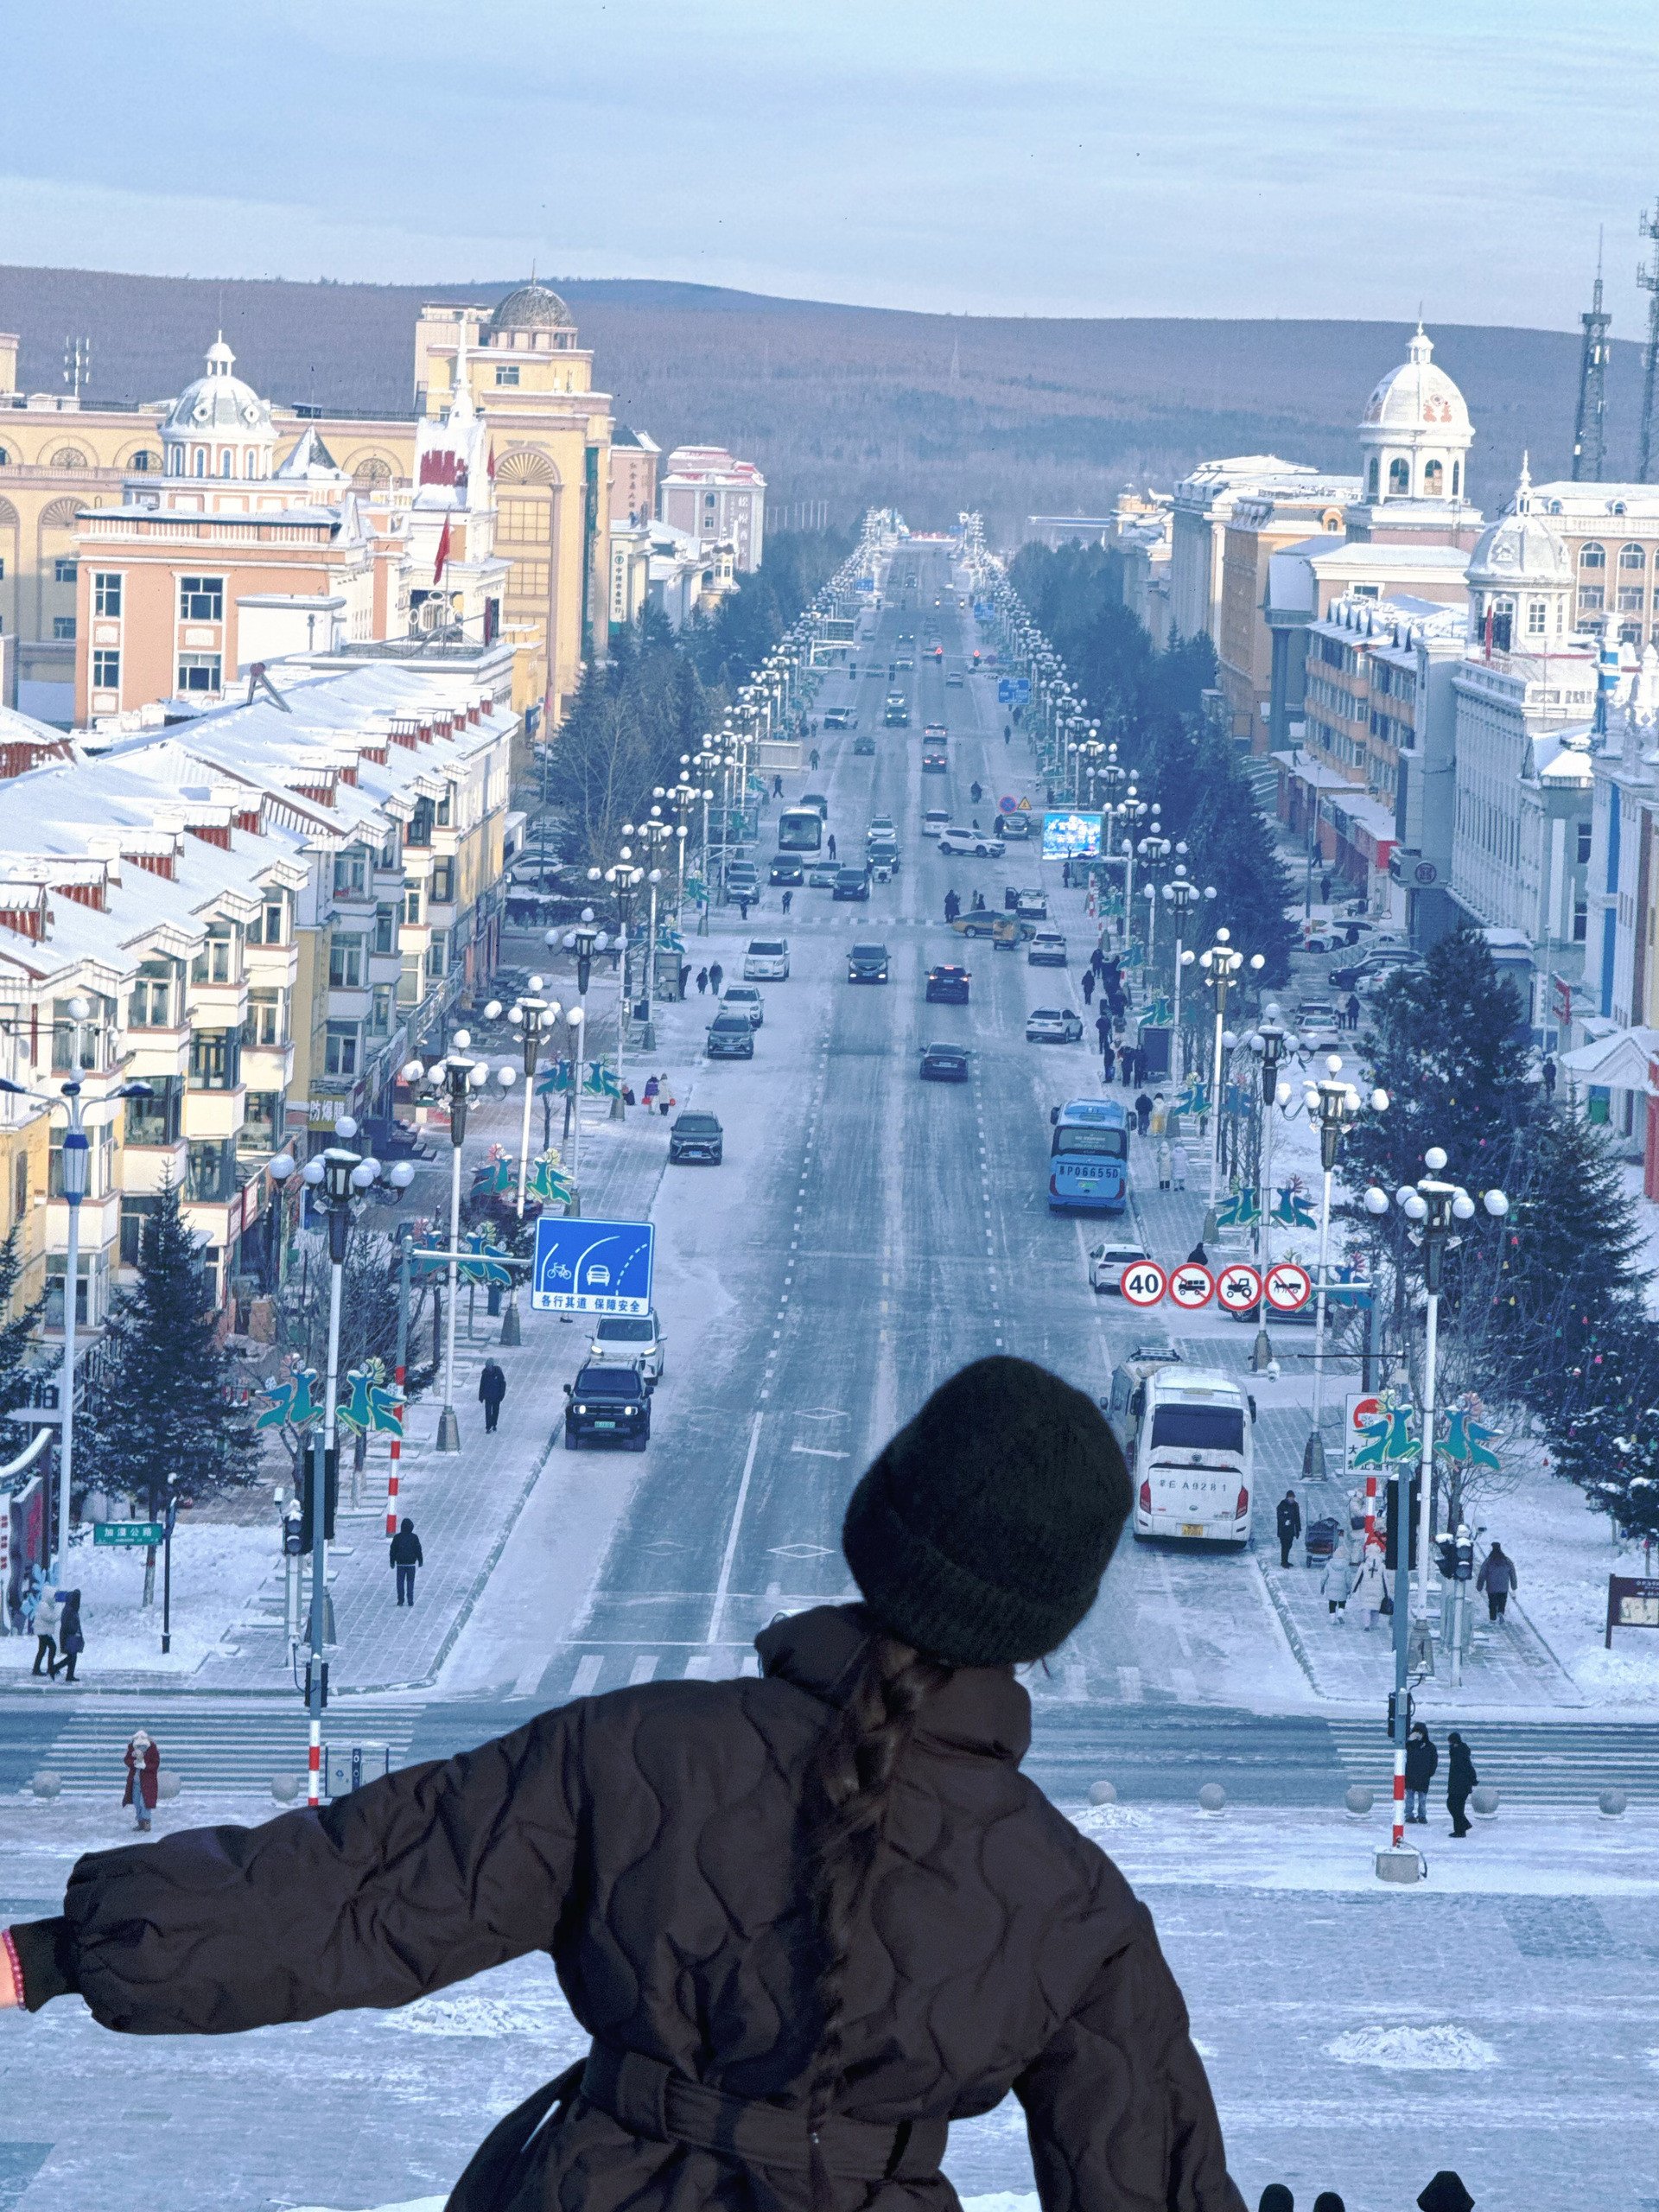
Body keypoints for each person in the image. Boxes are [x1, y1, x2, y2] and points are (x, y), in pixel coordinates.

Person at [0, 1357, 1245, 2210]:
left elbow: (356, 1895)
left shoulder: (637, 1749)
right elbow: (1155, 2177)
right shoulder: (1075, 1908)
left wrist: (60, 1955)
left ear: (878, 1530)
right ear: (1047, 1617)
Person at [122, 1730, 160, 1834]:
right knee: (137, 1802)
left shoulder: (152, 1748)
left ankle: (147, 1822)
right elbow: (127, 1759)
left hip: (148, 1782)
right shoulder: (132, 1747)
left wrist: (144, 1765)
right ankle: (140, 1822)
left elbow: (155, 1763)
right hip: (135, 1781)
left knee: (145, 1803)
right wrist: (134, 1762)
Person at [1403, 1723, 1438, 1826]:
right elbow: (1401, 1749)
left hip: (1423, 1776)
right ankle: (1409, 1815)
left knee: (1422, 1799)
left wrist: (1430, 1773)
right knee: (1410, 1798)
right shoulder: (1410, 1745)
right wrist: (1409, 1739)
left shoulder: (1430, 1746)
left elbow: (1434, 1761)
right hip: (1411, 1776)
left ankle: (1422, 1816)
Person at [1351, 1540, 1388, 1630]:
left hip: (1365, 1589)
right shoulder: (1382, 1565)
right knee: (1376, 1609)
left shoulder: (1364, 1565)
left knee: (1366, 1608)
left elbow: (1358, 1578)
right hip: (1378, 1589)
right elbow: (1385, 1580)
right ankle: (1373, 1625)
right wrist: (1387, 1593)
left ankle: (1366, 1625)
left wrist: (1353, 1589)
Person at [1446, 1730, 1478, 1837]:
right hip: (1458, 1785)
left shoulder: (1459, 1753)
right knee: (1457, 1807)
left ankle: (1462, 1827)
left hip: (1460, 1786)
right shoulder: (1458, 1752)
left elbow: (1468, 1767)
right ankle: (1461, 1829)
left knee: (1453, 1806)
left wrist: (1473, 1779)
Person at [1477, 1541, 1516, 1622]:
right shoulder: (1506, 1561)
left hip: (1492, 1587)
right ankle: (1501, 1612)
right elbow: (1513, 1573)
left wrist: (1479, 1586)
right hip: (1503, 1586)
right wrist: (1514, 1586)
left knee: (1492, 1603)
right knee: (1502, 1601)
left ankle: (1492, 1618)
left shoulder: (1488, 1561)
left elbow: (1482, 1574)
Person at [390, 1517, 424, 1607]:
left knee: (400, 1582)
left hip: (400, 1563)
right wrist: (420, 1560)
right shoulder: (414, 1537)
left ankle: (400, 1600)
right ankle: (410, 1600)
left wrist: (392, 1561)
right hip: (411, 1564)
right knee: (410, 1582)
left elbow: (393, 1550)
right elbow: (418, 1550)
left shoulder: (397, 1537)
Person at [51, 1590, 83, 1682]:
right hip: (69, 1637)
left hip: (71, 1637)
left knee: (73, 1656)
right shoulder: (70, 1610)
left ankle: (70, 1675)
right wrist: (74, 1631)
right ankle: (54, 1668)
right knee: (71, 1657)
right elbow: (68, 1624)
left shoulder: (70, 1608)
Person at [1320, 1541, 1353, 1623]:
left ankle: (1332, 1620)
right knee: (1342, 1602)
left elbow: (1324, 1577)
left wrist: (1322, 1586)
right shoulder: (1346, 1566)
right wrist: (1349, 1588)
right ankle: (1340, 1615)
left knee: (1332, 1603)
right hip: (1342, 1587)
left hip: (1332, 1586)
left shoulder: (1329, 1564)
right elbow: (1348, 1579)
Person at [31, 1585, 59, 1679]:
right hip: (43, 1632)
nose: (55, 1598)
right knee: (53, 1647)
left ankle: (37, 1669)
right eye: (53, 1595)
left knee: (42, 1650)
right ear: (49, 1595)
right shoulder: (44, 1605)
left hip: (43, 1631)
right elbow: (51, 1618)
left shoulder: (47, 1604)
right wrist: (58, 1611)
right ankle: (50, 1668)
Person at [479, 1358, 507, 1435]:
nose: (488, 1368)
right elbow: (482, 1385)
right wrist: (481, 1396)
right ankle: (488, 1427)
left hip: (496, 1397)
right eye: (486, 1366)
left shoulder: (498, 1372)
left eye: (489, 1366)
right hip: (488, 1397)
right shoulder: (484, 1374)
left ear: (492, 1366)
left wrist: (501, 1395)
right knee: (488, 1412)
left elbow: (503, 1384)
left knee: (495, 1411)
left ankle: (494, 1424)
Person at [1275, 1490, 1302, 1570]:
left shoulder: (1295, 1505)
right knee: (1284, 1546)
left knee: (1289, 1545)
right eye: (1290, 1498)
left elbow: (1297, 1517)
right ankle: (1284, 1562)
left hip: (1291, 1530)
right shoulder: (1282, 1505)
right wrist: (1285, 1521)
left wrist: (1298, 1528)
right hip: (1283, 1530)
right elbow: (1279, 1516)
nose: (1292, 1499)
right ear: (1287, 1498)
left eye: (1293, 1498)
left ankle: (1285, 1561)